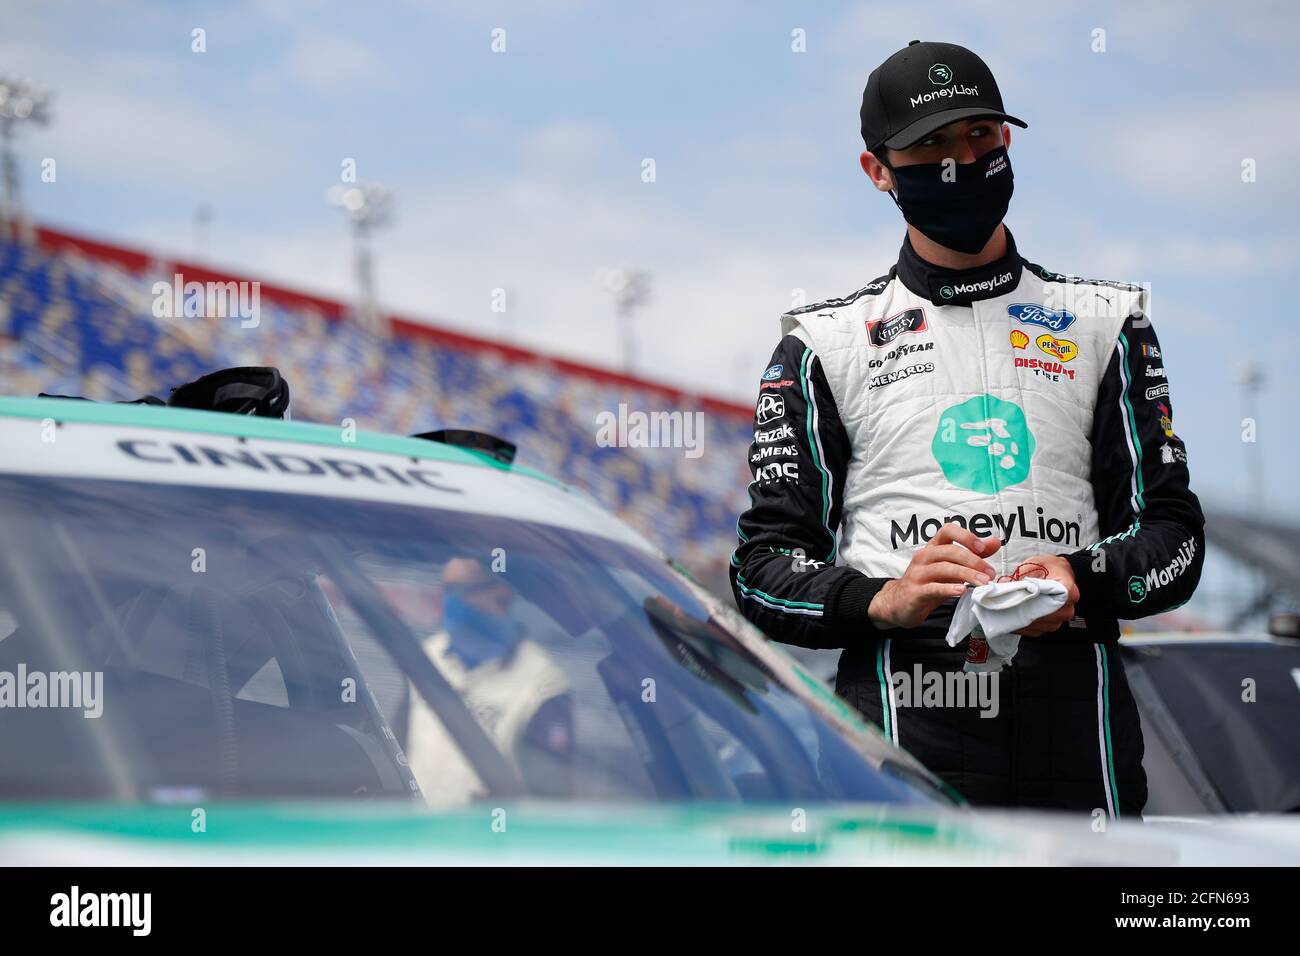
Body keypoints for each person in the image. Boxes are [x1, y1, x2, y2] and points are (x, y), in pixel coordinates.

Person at [729, 40, 1204, 817]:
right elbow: (761, 570)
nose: (961, 159)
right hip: (901, 706)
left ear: (1007, 141)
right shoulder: (824, 343)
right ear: (877, 170)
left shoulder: (1106, 320)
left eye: (980, 134)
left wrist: (1079, 577)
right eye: (931, 144)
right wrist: (885, 599)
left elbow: (1175, 540)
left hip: (1073, 704)